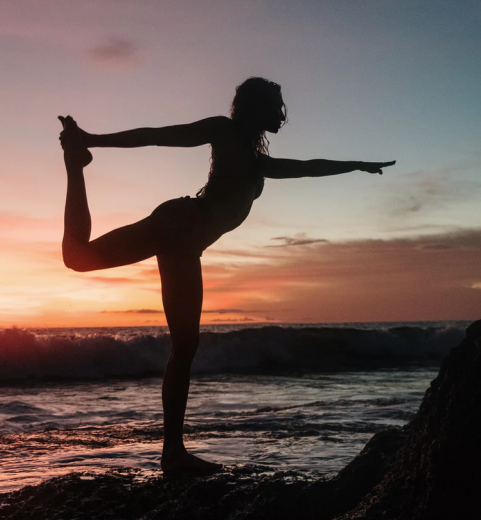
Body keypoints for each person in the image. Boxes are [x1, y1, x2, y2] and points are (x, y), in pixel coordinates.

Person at [58, 76, 395, 476]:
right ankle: (75, 164)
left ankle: (173, 454)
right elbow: (158, 135)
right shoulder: (223, 130)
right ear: (254, 106)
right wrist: (92, 139)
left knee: (185, 346)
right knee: (79, 258)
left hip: (187, 244)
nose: (282, 114)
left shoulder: (257, 163)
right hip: (180, 223)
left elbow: (307, 168)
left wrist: (355, 165)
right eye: (275, 106)